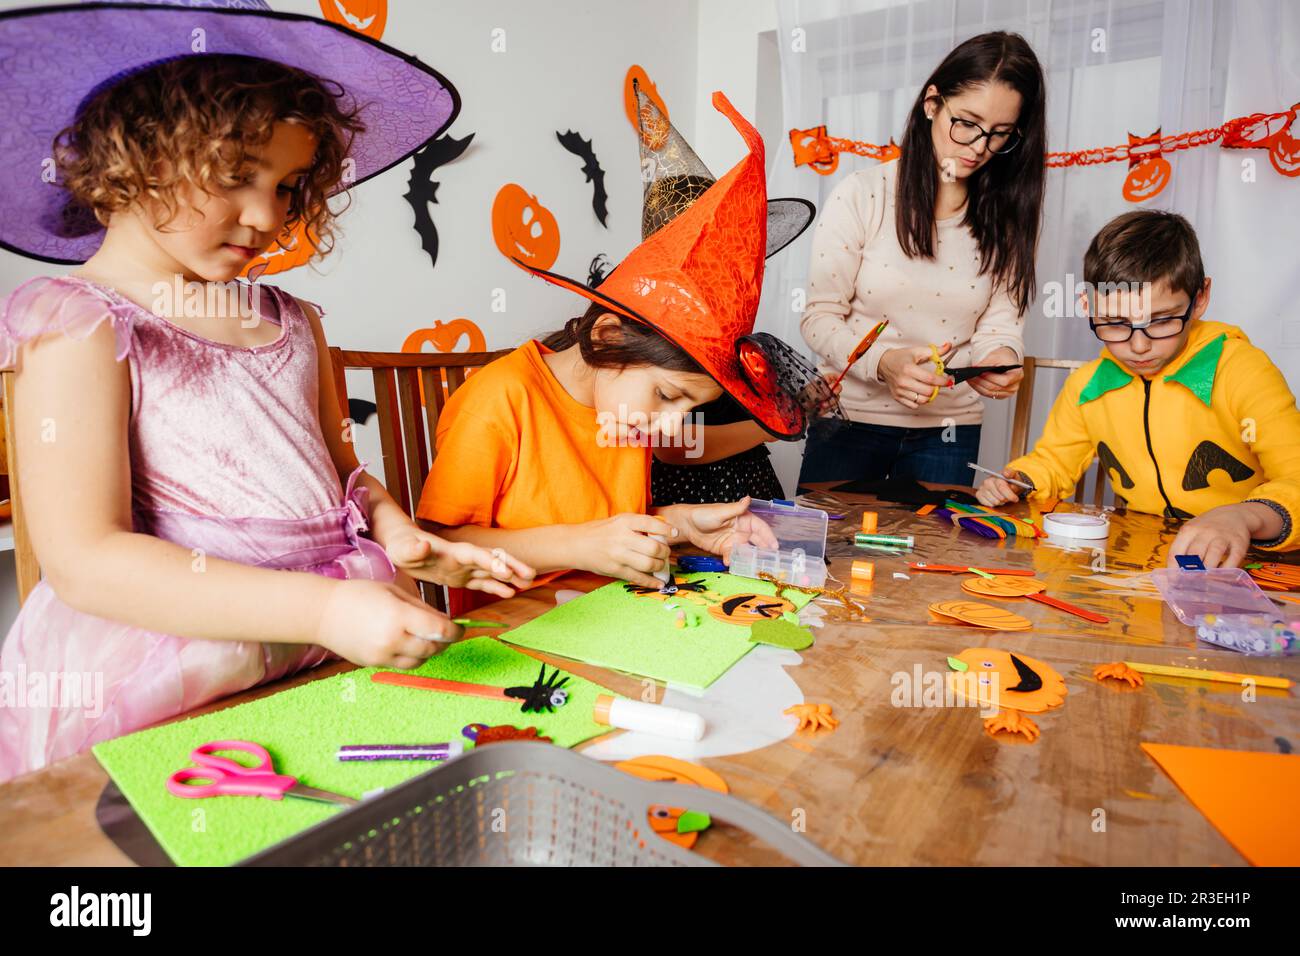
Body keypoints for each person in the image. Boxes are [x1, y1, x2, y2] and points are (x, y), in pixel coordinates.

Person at [0, 0, 531, 782]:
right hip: (172, 673)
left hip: (315, 648)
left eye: (287, 186)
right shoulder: (80, 324)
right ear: (131, 159)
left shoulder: (290, 319)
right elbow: (85, 560)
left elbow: (340, 473)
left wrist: (397, 531)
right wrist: (321, 609)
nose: (267, 216)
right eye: (236, 178)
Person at [977, 210, 1300, 567]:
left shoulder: (1241, 370)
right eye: (1115, 323)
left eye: (1161, 321)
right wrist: (1021, 480)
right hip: (1145, 563)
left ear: (1200, 298)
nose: (1140, 346)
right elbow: (1053, 461)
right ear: (1088, 306)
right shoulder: (1088, 386)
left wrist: (1243, 516)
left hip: (1247, 563)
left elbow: (1296, 478)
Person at [798, 31, 1047, 487]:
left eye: (1000, 135)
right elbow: (820, 318)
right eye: (966, 123)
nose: (977, 147)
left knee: (933, 556)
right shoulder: (864, 195)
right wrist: (883, 364)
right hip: (849, 420)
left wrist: (1001, 361)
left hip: (948, 432)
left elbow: (1001, 327)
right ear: (932, 103)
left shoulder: (1007, 219)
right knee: (829, 555)